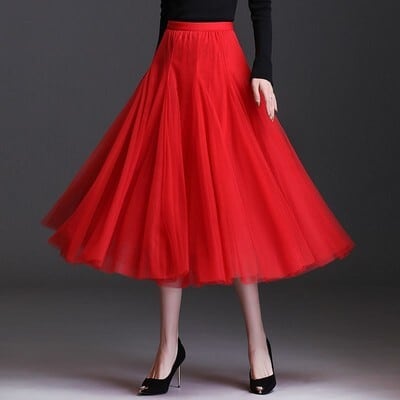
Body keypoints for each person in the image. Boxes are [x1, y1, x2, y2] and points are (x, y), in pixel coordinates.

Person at [40, 0, 355, 395]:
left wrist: (264, 69)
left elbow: (260, 6)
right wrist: (157, 67)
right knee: (167, 207)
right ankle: (168, 346)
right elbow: (166, 6)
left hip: (220, 68)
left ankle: (258, 343)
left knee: (233, 207)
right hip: (171, 68)